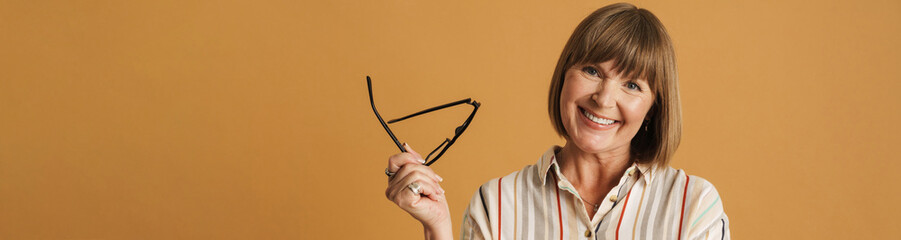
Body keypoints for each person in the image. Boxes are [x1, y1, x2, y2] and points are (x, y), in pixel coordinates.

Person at [384, 3, 730, 239]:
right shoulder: (497, 204)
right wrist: (437, 226)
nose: (604, 99)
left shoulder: (693, 205)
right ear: (565, 74)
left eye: (632, 85)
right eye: (592, 71)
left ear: (654, 107)